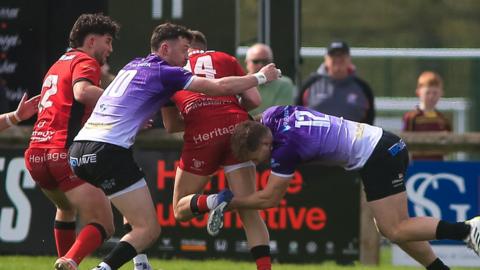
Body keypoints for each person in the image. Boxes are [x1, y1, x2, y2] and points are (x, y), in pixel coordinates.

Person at [68, 23, 281, 270]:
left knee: (129, 215)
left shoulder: (132, 65)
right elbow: (240, 94)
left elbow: (169, 125)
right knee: (149, 228)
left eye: (190, 49)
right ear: (166, 48)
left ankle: (121, 262)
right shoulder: (177, 71)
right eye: (183, 49)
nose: (187, 56)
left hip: (79, 150)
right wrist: (262, 76)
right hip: (116, 149)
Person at [208, 105, 480, 270]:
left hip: (378, 154)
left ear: (266, 145)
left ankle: (468, 230)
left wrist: (230, 202)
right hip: (385, 142)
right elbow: (253, 122)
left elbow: (268, 199)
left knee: (394, 228)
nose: (260, 164)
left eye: (257, 158)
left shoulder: (285, 149)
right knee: (392, 227)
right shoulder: (273, 115)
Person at [160, 30, 272, 270]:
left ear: (185, 48)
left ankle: (214, 201)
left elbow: (170, 125)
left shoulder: (171, 68)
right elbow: (254, 100)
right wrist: (228, 108)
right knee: (249, 210)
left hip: (203, 132)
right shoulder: (225, 58)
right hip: (237, 127)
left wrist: (198, 114)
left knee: (180, 208)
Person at [23, 13, 120, 270]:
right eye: (107, 41)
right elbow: (82, 92)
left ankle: (66, 264)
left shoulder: (57, 64)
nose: (110, 49)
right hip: (63, 153)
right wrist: (124, 104)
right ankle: (69, 260)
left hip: (36, 154)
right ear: (90, 41)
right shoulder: (86, 61)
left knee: (66, 209)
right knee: (105, 223)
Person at [297, 41, 375, 125]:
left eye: (342, 55)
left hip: (353, 137)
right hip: (316, 137)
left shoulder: (362, 87)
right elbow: (297, 113)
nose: (338, 59)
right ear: (326, 59)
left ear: (349, 59)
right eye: (333, 55)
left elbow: (369, 119)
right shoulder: (309, 84)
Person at [402, 71, 451, 160]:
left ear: (441, 93)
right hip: (416, 168)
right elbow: (403, 144)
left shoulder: (443, 120)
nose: (431, 96)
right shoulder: (411, 117)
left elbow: (449, 147)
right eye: (428, 93)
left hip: (438, 166)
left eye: (435, 93)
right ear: (418, 93)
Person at [246, 43, 295, 116]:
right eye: (256, 61)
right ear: (247, 62)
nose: (261, 65)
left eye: (265, 61)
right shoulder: (240, 84)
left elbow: (280, 114)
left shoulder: (285, 83)